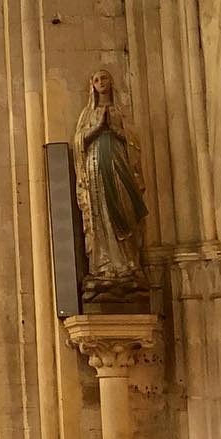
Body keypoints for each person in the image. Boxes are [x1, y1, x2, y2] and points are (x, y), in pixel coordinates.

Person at [73, 68, 148, 296]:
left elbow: (133, 141)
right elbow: (78, 141)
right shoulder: (89, 114)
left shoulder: (119, 112)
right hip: (96, 169)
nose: (100, 82)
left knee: (123, 211)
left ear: (111, 82)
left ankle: (127, 264)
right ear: (92, 86)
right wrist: (97, 129)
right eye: (95, 79)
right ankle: (103, 265)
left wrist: (114, 130)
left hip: (118, 168)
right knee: (100, 213)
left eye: (104, 78)